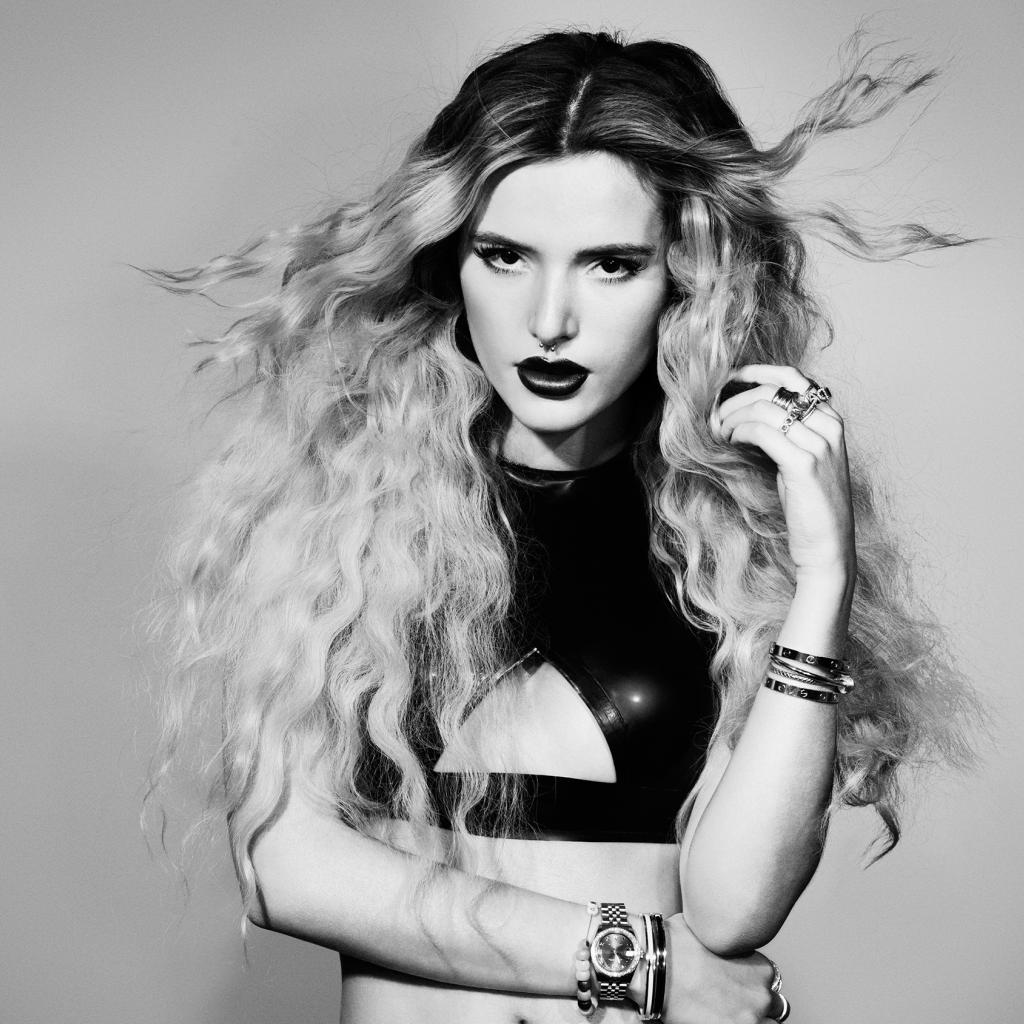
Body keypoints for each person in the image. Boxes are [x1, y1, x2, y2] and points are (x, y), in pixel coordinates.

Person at [145, 29, 977, 1023]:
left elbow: (735, 905)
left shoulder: (728, 543)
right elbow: (285, 866)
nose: (549, 319)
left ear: (685, 279)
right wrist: (640, 962)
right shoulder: (344, 507)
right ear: (449, 264)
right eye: (504, 256)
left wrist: (824, 577)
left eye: (610, 265)